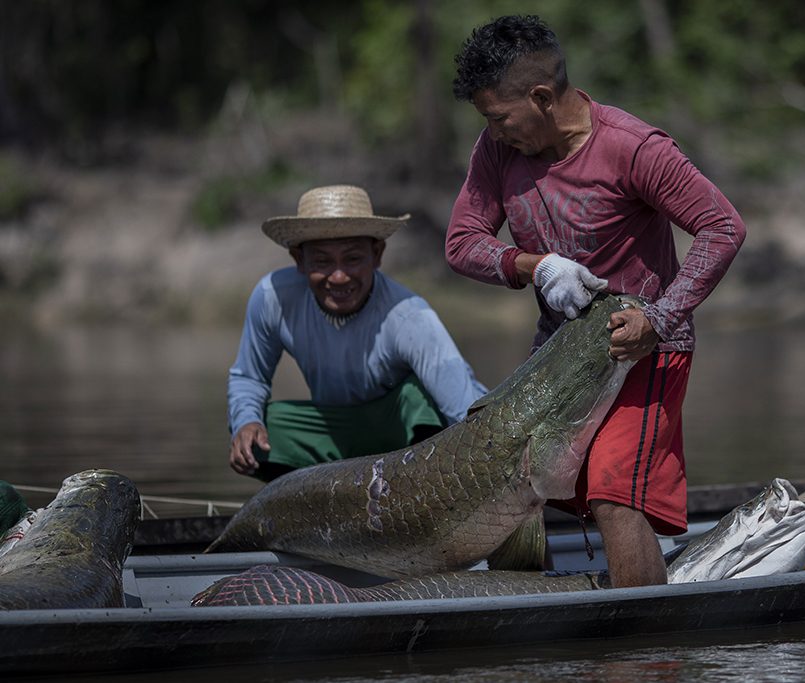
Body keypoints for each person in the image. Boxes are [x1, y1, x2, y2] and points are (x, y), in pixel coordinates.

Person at [445, 15, 746, 587]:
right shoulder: (497, 148)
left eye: (500, 117)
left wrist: (658, 319)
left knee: (613, 490)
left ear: (541, 97)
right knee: (506, 478)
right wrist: (533, 265)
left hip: (640, 351)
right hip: (557, 354)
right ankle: (529, 624)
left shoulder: (634, 148)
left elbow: (722, 228)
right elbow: (461, 245)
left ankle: (645, 653)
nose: (495, 130)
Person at [228, 184, 487, 481]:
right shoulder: (273, 296)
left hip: (398, 441)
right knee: (260, 427)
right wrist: (246, 421)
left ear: (376, 255)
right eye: (323, 261)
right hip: (330, 433)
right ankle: (313, 502)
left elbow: (464, 407)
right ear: (299, 260)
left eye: (353, 259)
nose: (338, 277)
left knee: (419, 400)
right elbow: (249, 377)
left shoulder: (410, 316)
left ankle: (416, 496)